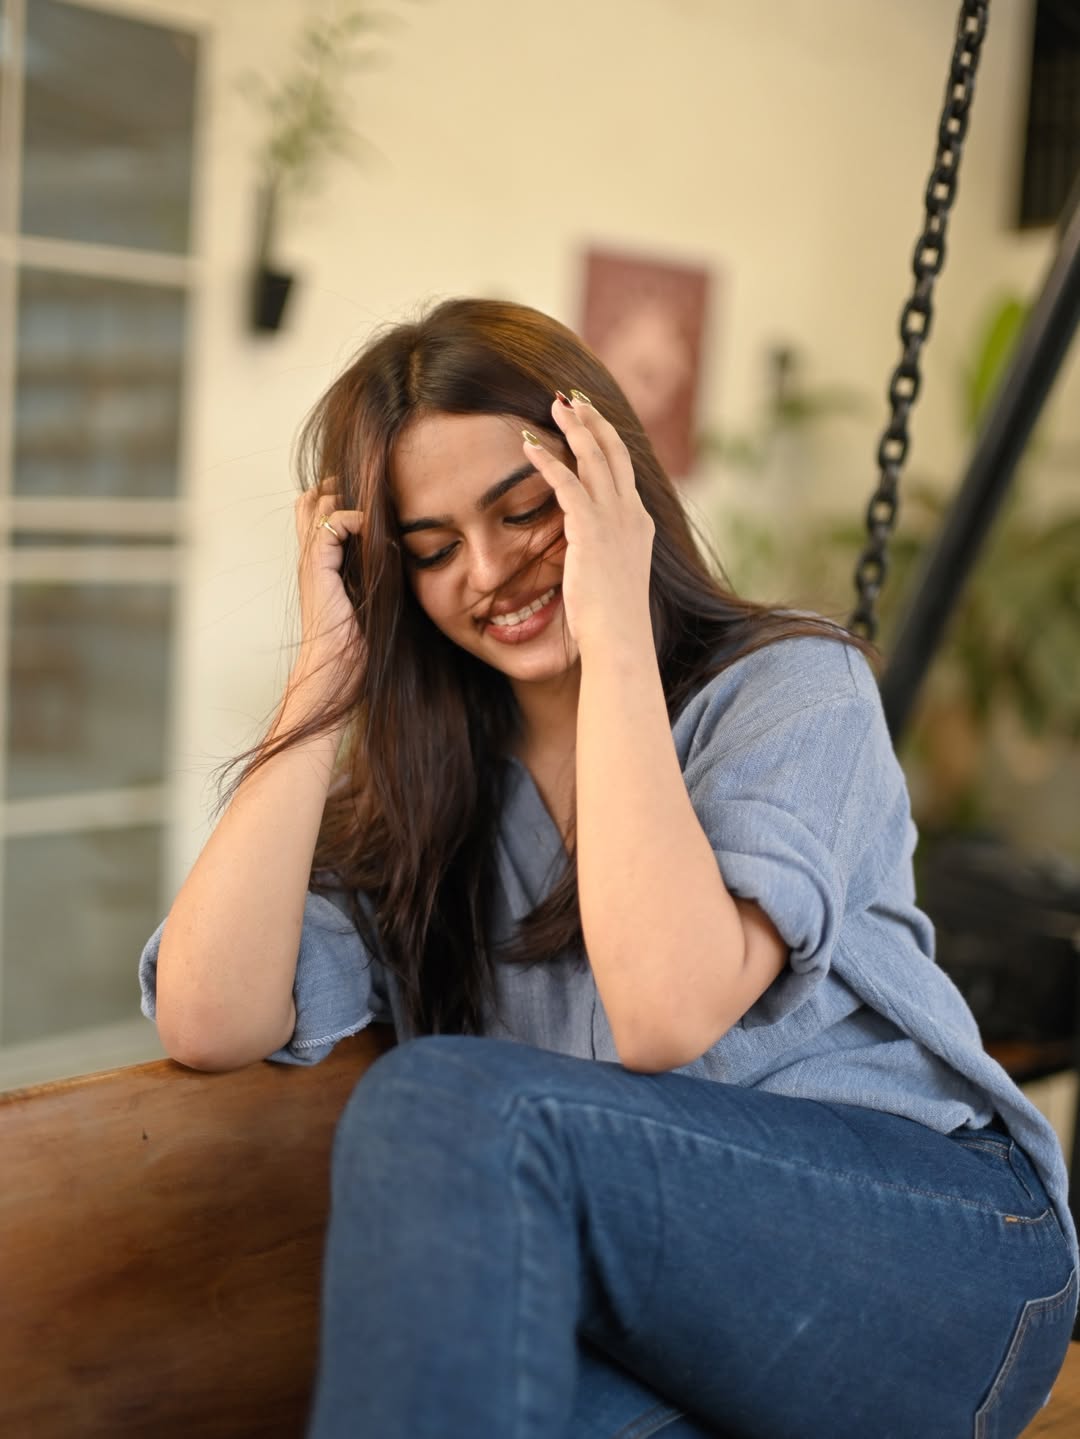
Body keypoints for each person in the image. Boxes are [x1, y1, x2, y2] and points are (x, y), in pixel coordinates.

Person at [139, 298, 1077, 1439]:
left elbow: (664, 1009)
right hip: (673, 1311)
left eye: (524, 510)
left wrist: (616, 627)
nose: (486, 570)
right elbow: (208, 1012)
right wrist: (327, 674)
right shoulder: (427, 806)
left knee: (444, 1102)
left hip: (940, 1269)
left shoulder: (792, 690)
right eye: (430, 550)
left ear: (608, 487)